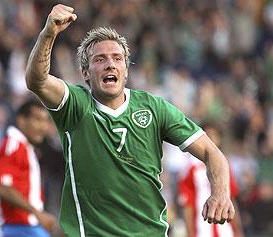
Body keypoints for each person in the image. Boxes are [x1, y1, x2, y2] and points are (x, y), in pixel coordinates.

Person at [25, 4, 235, 236]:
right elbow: (37, 81)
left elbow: (212, 152)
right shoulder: (75, 105)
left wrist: (220, 194)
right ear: (85, 72)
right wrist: (48, 33)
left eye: (117, 58)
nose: (110, 64)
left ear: (126, 69)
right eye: (100, 59)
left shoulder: (154, 108)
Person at [0, 99, 58, 237]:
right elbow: (0, 187)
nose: (43, 127)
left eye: (45, 121)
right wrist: (37, 212)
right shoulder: (14, 144)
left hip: (23, 226)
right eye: (37, 119)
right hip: (21, 226)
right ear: (21, 120)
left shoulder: (22, 146)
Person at [177, 121, 244, 237]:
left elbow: (231, 199)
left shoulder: (224, 165)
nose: (211, 140)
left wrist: (238, 231)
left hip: (226, 232)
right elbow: (187, 206)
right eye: (208, 136)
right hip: (202, 231)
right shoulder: (191, 168)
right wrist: (190, 233)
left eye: (214, 136)